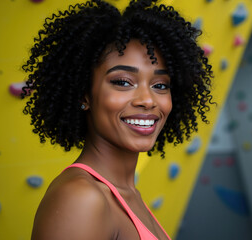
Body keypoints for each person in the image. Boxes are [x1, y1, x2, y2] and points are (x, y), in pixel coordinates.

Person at [21, 0, 213, 239]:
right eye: (123, 82)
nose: (148, 100)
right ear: (84, 94)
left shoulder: (127, 195)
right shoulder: (82, 198)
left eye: (160, 85)